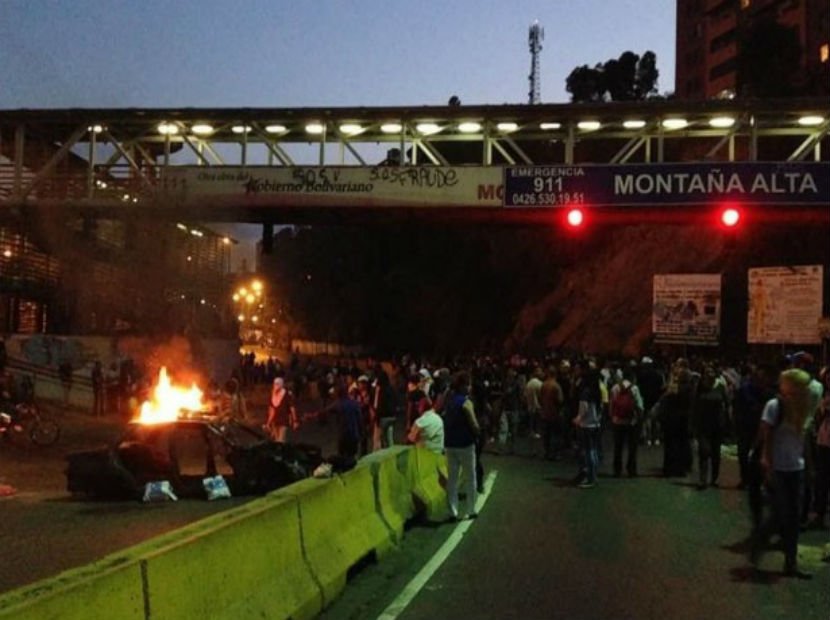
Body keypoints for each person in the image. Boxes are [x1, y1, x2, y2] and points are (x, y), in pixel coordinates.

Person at [750, 368, 813, 578]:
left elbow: (803, 439)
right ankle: (759, 541)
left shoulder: (804, 407)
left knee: (793, 518)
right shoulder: (775, 406)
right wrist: (766, 461)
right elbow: (765, 434)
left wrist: (808, 464)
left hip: (797, 467)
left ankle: (791, 564)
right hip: (778, 468)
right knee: (779, 515)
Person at [443, 371, 481, 521]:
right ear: (465, 386)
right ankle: (471, 509)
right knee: (470, 477)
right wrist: (478, 433)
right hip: (465, 444)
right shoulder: (466, 402)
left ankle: (452, 510)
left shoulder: (450, 400)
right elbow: (473, 424)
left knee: (452, 479)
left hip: (450, 444)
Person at [692, 364, 729, 489]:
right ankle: (703, 480)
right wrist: (693, 424)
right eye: (707, 372)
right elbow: (694, 406)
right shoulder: (699, 388)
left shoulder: (721, 387)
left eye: (711, 371)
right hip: (703, 425)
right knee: (704, 451)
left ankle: (714, 478)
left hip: (717, 425)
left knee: (716, 454)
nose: (709, 374)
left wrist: (728, 422)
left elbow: (727, 404)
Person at [609, 368, 644, 478]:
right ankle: (631, 470)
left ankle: (617, 470)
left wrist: (612, 417)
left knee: (618, 447)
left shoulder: (615, 388)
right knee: (632, 447)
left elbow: (611, 404)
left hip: (617, 421)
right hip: (631, 422)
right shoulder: (634, 388)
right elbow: (639, 405)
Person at [572, 367, 602, 489]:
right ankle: (594, 475)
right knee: (593, 451)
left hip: (586, 424)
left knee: (588, 451)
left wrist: (577, 419)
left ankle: (590, 477)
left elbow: (583, 409)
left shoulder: (586, 392)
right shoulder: (597, 391)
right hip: (595, 424)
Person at [539, 365, 565, 460]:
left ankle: (547, 452)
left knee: (546, 435)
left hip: (545, 413)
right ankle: (555, 454)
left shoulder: (544, 385)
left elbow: (540, 398)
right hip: (555, 414)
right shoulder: (556, 386)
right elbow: (560, 400)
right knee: (556, 435)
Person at [265, 377, 298, 443]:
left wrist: (295, 420)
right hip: (275, 420)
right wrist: (268, 423)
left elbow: (292, 408)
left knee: (281, 440)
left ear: (281, 384)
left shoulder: (287, 394)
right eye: (274, 384)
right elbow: (271, 410)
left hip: (284, 419)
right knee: (276, 440)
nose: (276, 385)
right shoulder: (272, 395)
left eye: (277, 384)